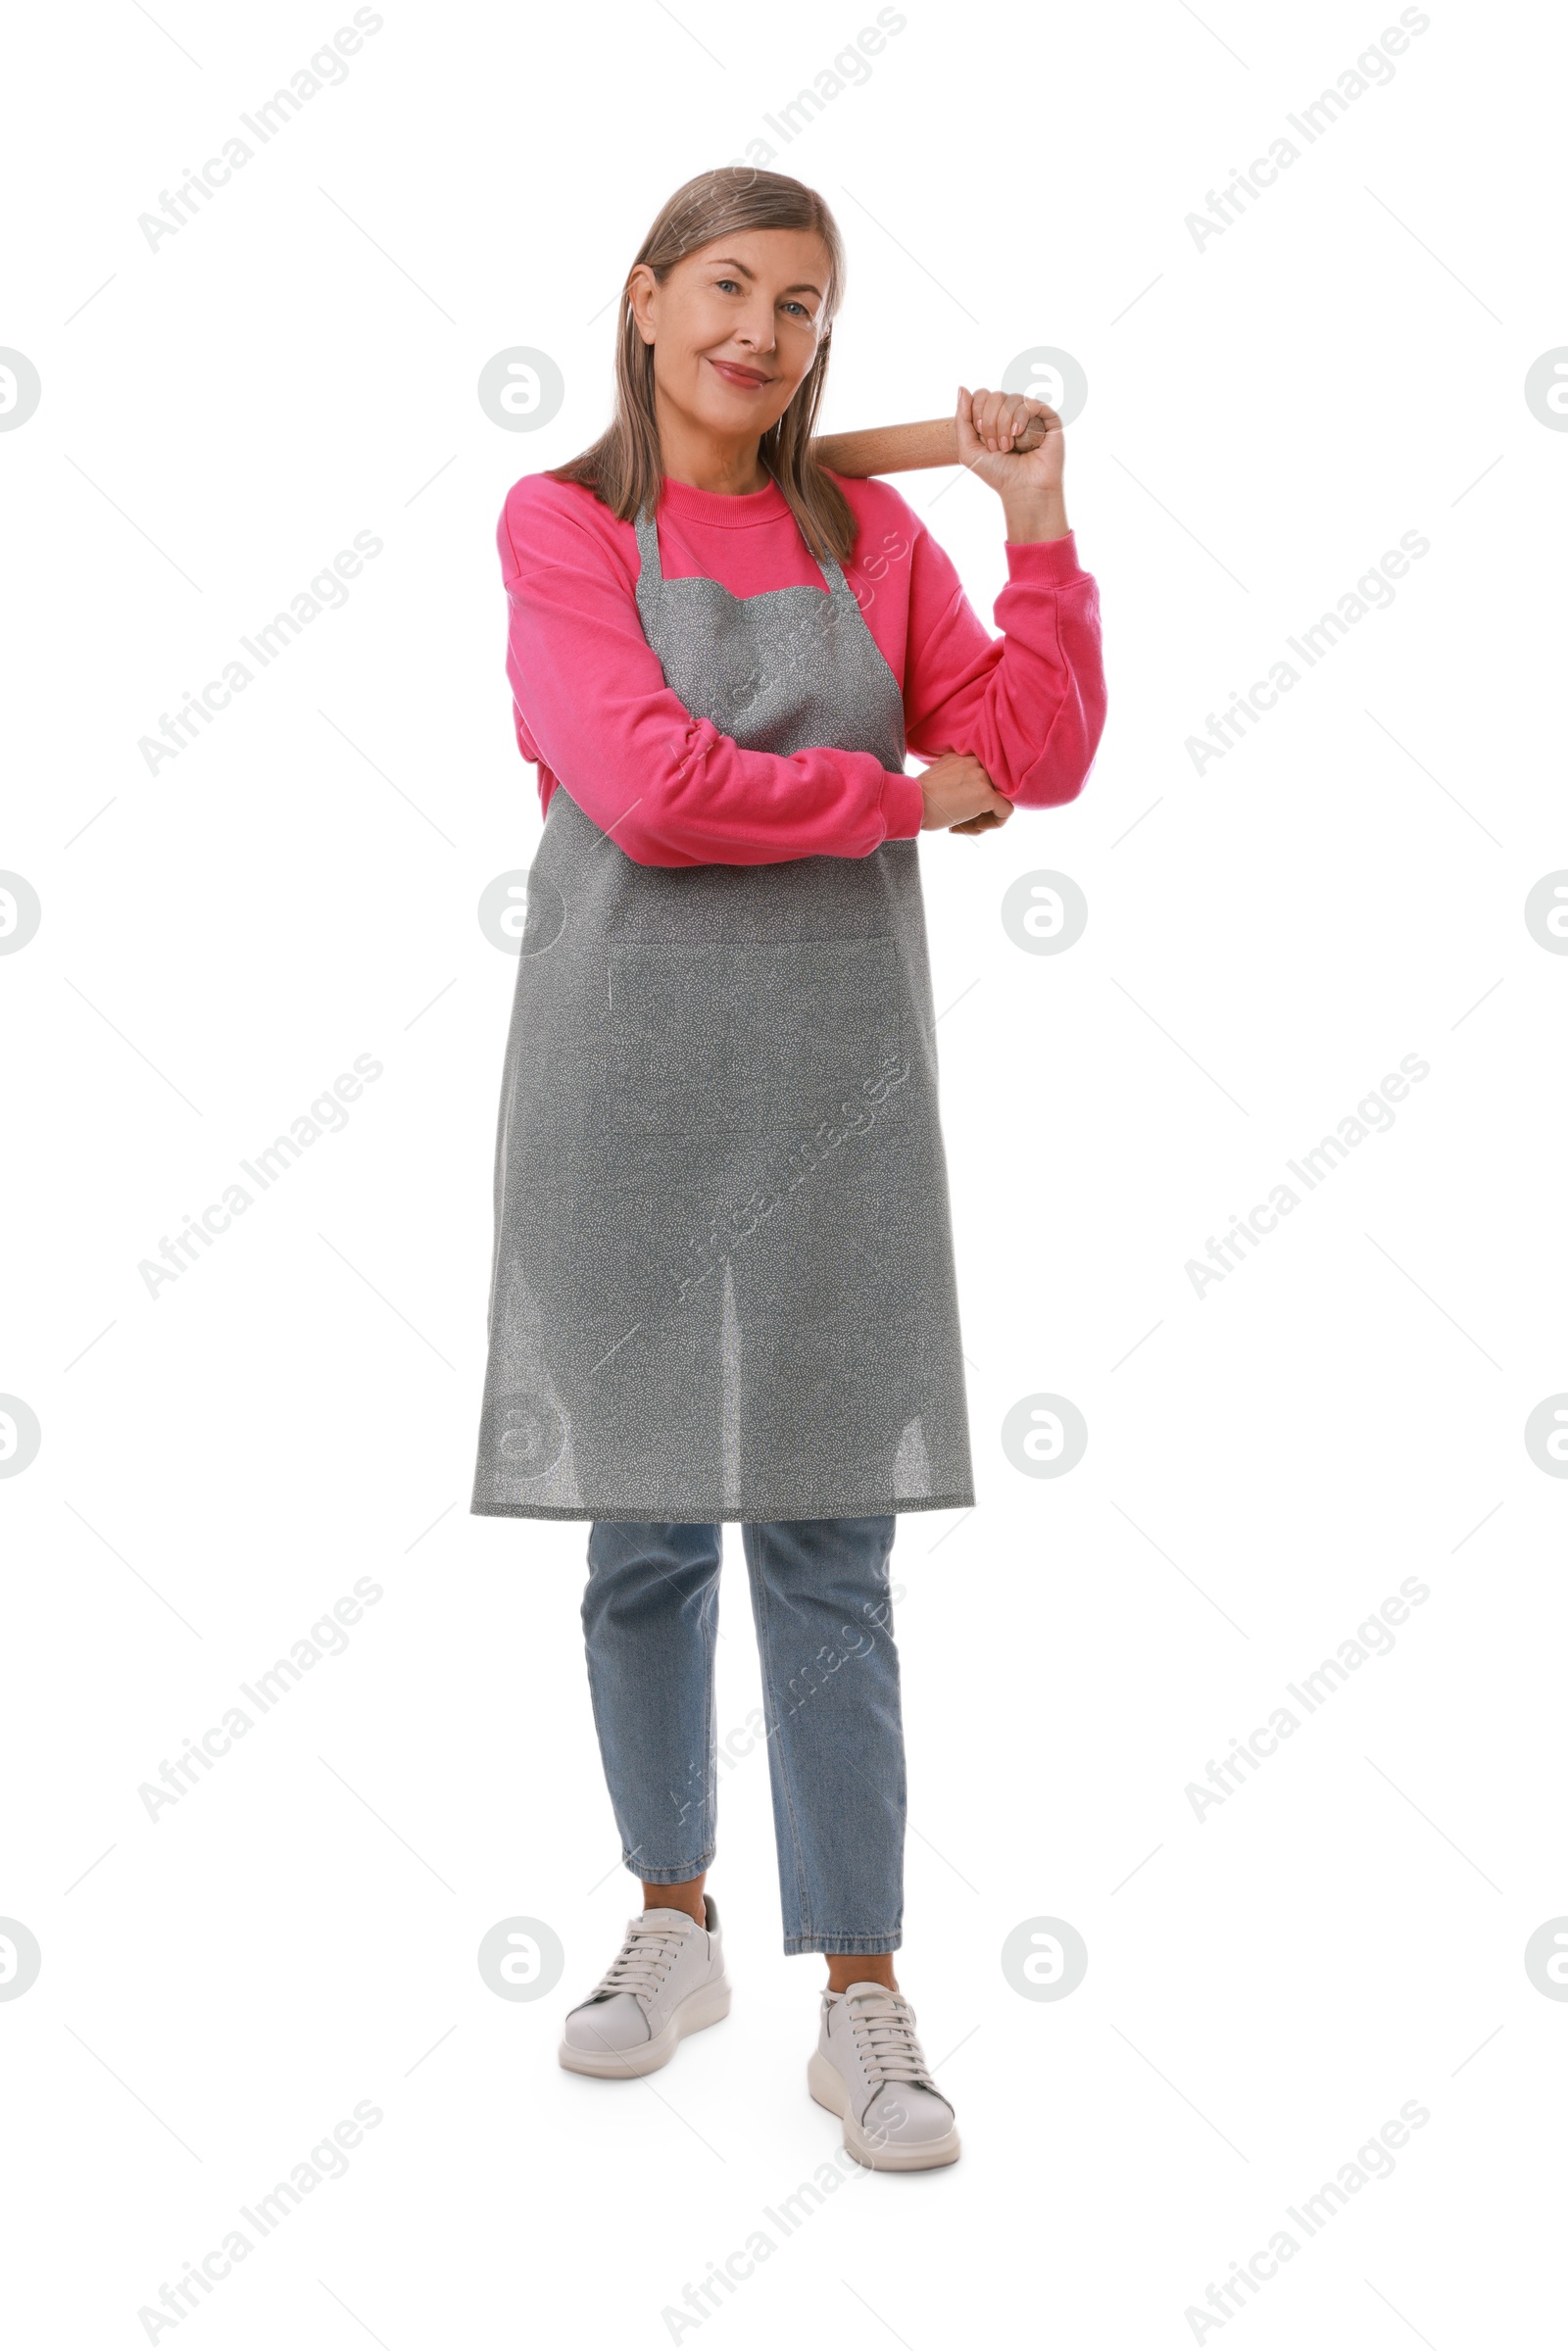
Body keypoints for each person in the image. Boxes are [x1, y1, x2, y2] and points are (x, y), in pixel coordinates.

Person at [469, 168, 1105, 2171]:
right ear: (646, 302)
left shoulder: (876, 530)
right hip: (619, 1077)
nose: (762, 333)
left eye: (804, 308)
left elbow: (1036, 748)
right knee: (644, 1527)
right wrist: (899, 794)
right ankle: (671, 1923)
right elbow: (646, 791)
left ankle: (861, 1994)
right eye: (729, 289)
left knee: (827, 1535)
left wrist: (1036, 536)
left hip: (834, 1089)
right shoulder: (561, 524)